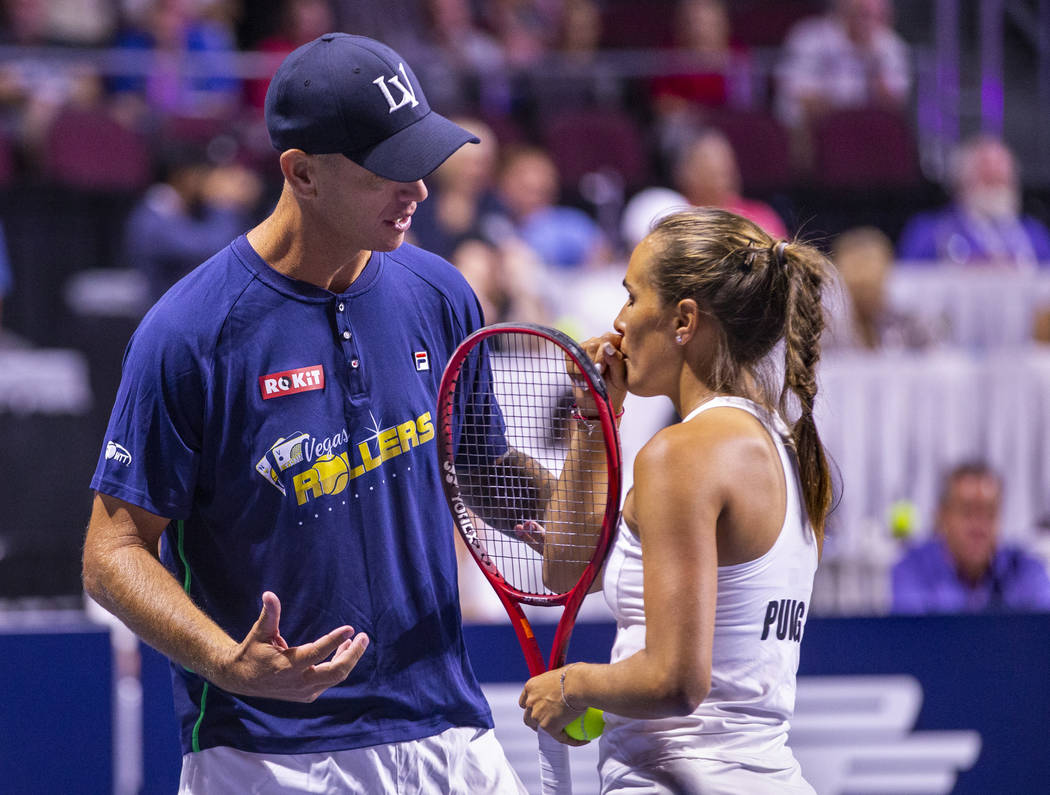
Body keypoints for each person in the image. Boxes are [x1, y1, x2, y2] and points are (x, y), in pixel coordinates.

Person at [82, 33, 526, 793]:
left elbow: (486, 473)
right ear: (301, 173)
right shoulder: (191, 332)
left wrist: (585, 461)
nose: (417, 188)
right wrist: (227, 659)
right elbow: (111, 551)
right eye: (388, 168)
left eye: (421, 157)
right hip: (266, 755)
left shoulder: (441, 293)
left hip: (449, 733)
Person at [519, 206, 831, 793]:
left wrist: (570, 686)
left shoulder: (681, 455)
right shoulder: (788, 447)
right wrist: (596, 416)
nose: (617, 319)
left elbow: (675, 681)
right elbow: (566, 569)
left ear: (683, 319)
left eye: (632, 296)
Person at [891, 462, 1050, 614]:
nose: (979, 527)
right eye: (967, 513)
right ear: (942, 517)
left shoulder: (1024, 569)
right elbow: (912, 635)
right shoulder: (913, 569)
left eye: (989, 513)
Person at [775, 0, 911, 170]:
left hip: (868, 138)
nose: (869, 21)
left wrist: (870, 58)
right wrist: (846, 116)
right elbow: (802, 98)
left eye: (878, 16)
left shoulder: (890, 45)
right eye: (862, 13)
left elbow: (893, 104)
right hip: (810, 134)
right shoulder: (809, 36)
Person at [123, 142, 263, 303]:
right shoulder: (153, 217)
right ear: (184, 176)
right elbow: (215, 251)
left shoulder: (180, 210)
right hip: (168, 316)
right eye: (203, 174)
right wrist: (227, 204)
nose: (208, 181)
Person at [897, 134, 1050, 267]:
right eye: (987, 179)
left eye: (1002, 180)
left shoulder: (1034, 234)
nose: (996, 188)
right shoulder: (929, 232)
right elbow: (908, 285)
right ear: (961, 181)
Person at [824, 225, 936, 351]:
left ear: (886, 272)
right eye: (858, 287)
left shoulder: (913, 327)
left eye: (870, 286)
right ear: (840, 276)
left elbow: (938, 362)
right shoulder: (827, 334)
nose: (864, 276)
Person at [672, 128, 788, 239]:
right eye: (710, 170)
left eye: (725, 169)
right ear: (685, 173)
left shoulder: (760, 216)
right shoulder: (674, 215)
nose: (721, 177)